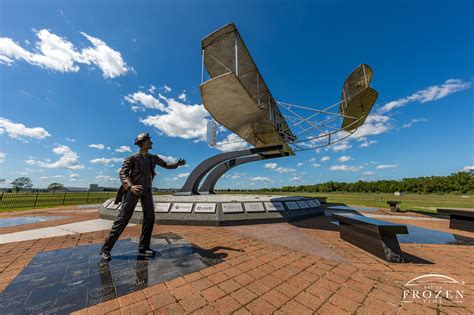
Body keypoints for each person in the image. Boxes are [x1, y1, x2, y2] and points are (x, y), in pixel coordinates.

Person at [100, 132, 186, 260]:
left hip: (147, 190)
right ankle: (106, 249)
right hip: (133, 190)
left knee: (150, 217)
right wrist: (130, 187)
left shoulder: (153, 158)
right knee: (123, 219)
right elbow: (123, 173)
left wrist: (177, 164)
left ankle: (144, 247)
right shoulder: (133, 158)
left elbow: (166, 165)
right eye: (149, 141)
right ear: (143, 143)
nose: (151, 143)